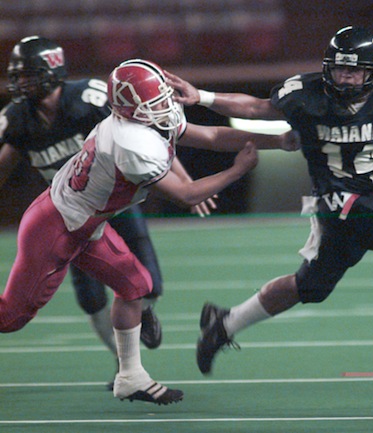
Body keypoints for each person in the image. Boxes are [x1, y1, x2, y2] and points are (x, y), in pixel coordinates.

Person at [0, 58, 298, 404]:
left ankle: (130, 377)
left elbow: (213, 135)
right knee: (11, 318)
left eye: (162, 98)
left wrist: (279, 141)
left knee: (136, 286)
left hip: (87, 221)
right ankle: (129, 374)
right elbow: (186, 195)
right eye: (153, 103)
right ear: (128, 109)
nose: (164, 107)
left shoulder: (142, 118)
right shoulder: (130, 142)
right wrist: (236, 171)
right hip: (57, 227)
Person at [167, 26, 373, 375]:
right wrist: (204, 97)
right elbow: (257, 107)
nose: (345, 78)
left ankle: (223, 324)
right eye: (339, 69)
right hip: (335, 201)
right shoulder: (306, 93)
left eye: (354, 70)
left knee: (310, 287)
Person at [0, 36, 214, 386]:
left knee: (147, 281)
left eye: (28, 75)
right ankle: (123, 363)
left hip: (117, 201)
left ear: (52, 71)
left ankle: (143, 315)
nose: (21, 83)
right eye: (18, 76)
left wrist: (186, 181)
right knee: (90, 298)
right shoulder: (18, 119)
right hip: (72, 213)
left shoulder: (90, 100)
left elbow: (153, 137)